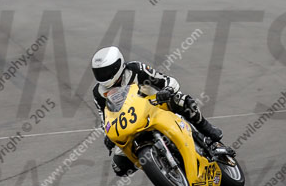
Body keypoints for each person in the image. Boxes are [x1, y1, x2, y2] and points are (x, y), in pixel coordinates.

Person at [92, 47, 228, 177]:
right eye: (100, 72)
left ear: (118, 65)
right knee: (119, 167)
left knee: (182, 101)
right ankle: (156, 164)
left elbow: (167, 80)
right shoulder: (98, 92)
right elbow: (105, 118)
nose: (103, 76)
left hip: (155, 104)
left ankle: (206, 130)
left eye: (106, 71)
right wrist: (108, 135)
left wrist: (167, 90)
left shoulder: (135, 69)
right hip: (128, 122)